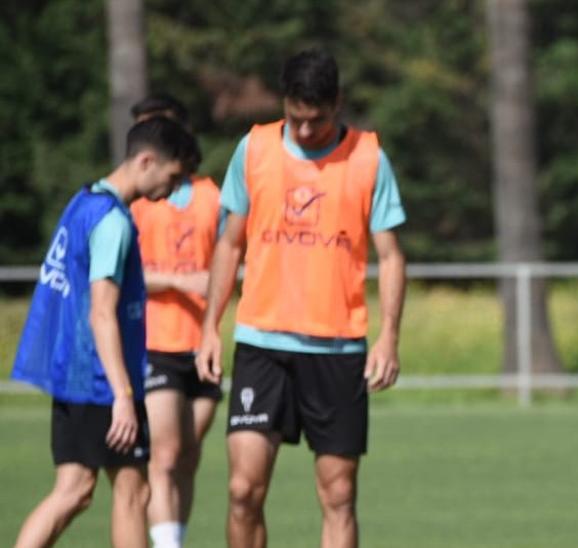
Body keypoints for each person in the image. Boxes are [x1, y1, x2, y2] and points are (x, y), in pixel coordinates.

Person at [194, 47, 407, 548]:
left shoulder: (368, 157)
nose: (307, 131)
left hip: (337, 349)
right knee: (243, 489)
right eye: (297, 119)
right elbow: (229, 243)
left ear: (338, 103)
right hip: (262, 345)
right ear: (284, 103)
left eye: (318, 119)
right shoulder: (256, 148)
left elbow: (392, 256)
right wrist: (209, 328)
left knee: (338, 495)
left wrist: (389, 337)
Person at [11, 117, 198, 548]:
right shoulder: (112, 222)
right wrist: (124, 397)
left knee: (72, 490)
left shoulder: (82, 202)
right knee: (134, 493)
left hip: (74, 373)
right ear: (147, 161)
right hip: (100, 382)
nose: (173, 189)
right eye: (172, 177)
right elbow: (101, 313)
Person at [129, 93, 223, 548]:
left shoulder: (210, 196)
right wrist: (177, 281)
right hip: (155, 343)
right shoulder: (137, 202)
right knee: (164, 455)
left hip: (203, 345)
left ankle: (172, 538)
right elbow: (120, 275)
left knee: (187, 456)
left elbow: (229, 261)